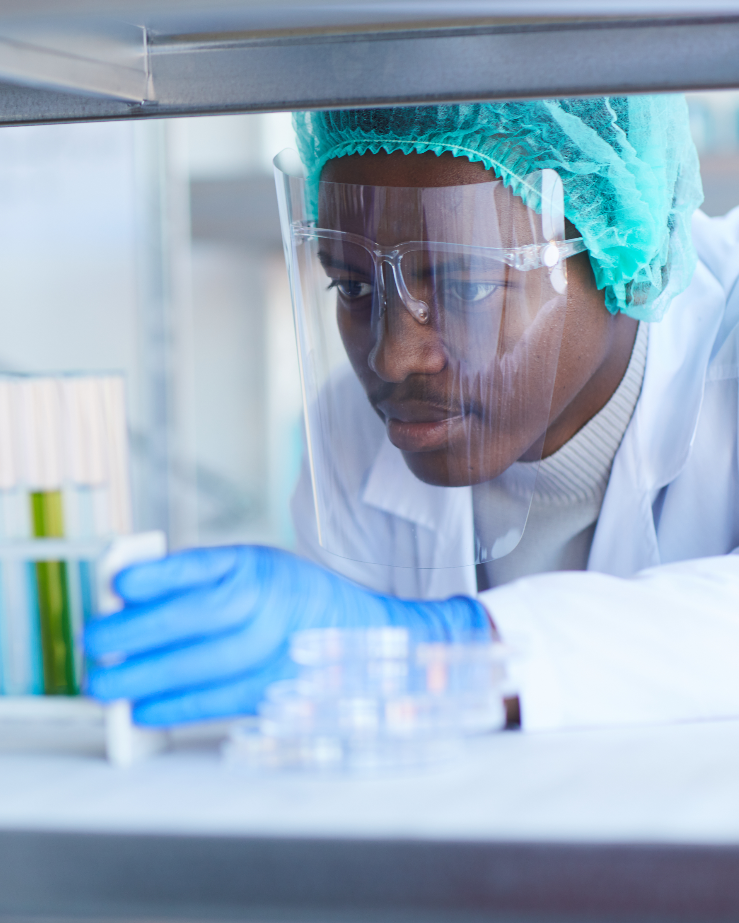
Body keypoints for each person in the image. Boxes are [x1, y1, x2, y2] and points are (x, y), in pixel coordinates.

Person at [88, 96, 739, 732]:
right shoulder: (352, 434)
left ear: (617, 247)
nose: (392, 357)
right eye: (353, 286)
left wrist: (433, 652)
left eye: (468, 285)